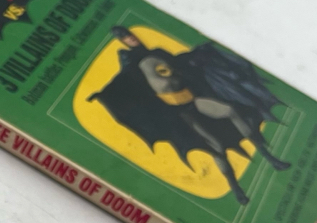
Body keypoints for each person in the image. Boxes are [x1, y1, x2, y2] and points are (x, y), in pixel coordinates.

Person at [89, 26, 291, 205]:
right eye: (125, 37)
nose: (131, 38)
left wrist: (198, 56)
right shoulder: (130, 61)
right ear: (122, 41)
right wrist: (104, 94)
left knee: (230, 110)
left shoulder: (158, 52)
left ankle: (270, 158)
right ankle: (236, 188)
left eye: (130, 35)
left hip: (194, 100)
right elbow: (125, 82)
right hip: (178, 113)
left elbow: (180, 65)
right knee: (216, 148)